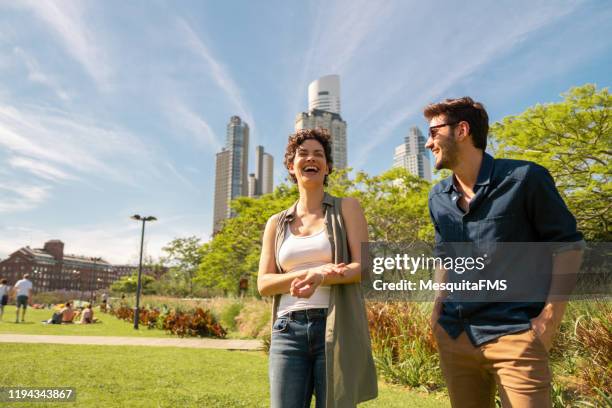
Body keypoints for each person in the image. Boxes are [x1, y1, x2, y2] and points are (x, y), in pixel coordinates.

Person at [424, 97, 584, 407]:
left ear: (462, 130)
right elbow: (444, 254)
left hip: (514, 334)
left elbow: (568, 245)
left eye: (433, 132)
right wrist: (436, 310)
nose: (429, 143)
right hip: (456, 335)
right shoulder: (437, 197)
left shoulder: (526, 178)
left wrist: (550, 317)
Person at [258, 128, 377, 408]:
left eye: (318, 154)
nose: (311, 158)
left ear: (328, 167)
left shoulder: (347, 208)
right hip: (287, 330)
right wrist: (306, 275)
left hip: (334, 326)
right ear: (291, 166)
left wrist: (320, 275)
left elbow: (364, 266)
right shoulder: (277, 223)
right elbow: (263, 283)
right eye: (303, 154)